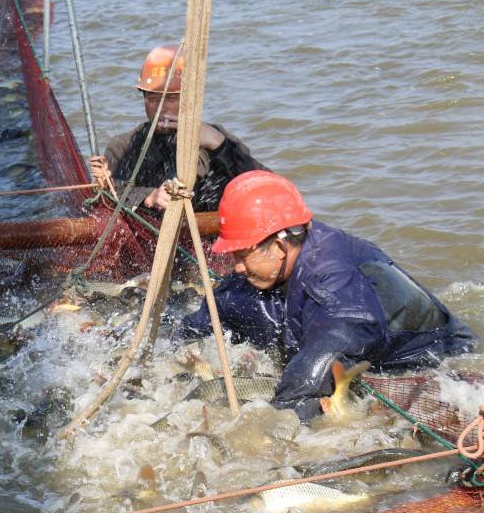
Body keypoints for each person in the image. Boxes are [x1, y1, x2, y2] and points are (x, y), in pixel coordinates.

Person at [177, 170, 476, 420]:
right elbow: (224, 303)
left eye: (242, 255)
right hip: (330, 326)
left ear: (280, 248)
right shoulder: (283, 259)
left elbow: (334, 343)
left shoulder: (332, 279)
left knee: (303, 404)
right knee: (233, 301)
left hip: (429, 361)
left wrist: (276, 419)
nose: (237, 267)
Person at [90, 43, 266, 213]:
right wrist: (148, 197)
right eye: (152, 99)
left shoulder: (214, 137)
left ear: (190, 100)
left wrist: (219, 144)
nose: (161, 108)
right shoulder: (124, 146)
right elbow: (107, 197)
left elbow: (263, 185)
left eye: (171, 99)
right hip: (154, 233)